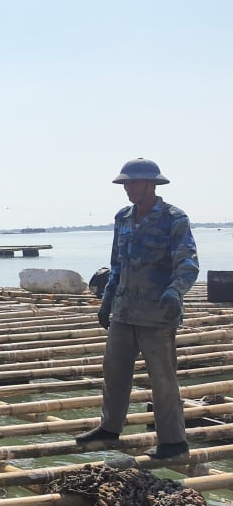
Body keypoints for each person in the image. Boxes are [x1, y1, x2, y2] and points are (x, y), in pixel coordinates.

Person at [75, 158, 199, 460]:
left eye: (132, 183)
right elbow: (117, 263)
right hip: (125, 310)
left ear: (150, 184)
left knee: (163, 378)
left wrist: (174, 292)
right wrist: (107, 298)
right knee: (114, 372)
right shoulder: (123, 218)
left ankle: (173, 441)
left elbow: (188, 263)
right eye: (125, 183)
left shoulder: (174, 218)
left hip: (157, 314)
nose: (127, 188)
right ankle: (110, 426)